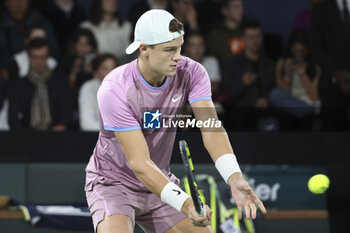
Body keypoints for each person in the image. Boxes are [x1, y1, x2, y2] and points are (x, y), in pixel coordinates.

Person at [85, 9, 266, 233]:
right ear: (144, 49)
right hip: (114, 183)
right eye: (169, 50)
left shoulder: (193, 72)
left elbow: (211, 129)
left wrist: (234, 177)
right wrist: (186, 203)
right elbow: (140, 164)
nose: (178, 56)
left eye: (179, 47)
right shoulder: (115, 89)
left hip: (159, 182)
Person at [8, 38, 73, 130]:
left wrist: (61, 126)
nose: (38, 62)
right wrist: (23, 135)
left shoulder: (61, 82)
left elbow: (67, 112)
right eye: (35, 57)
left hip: (57, 136)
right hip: (26, 137)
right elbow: (13, 118)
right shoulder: (18, 85)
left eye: (42, 57)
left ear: (48, 57)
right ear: (28, 57)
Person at [221, 21, 275, 130]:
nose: (255, 41)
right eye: (250, 37)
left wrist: (266, 99)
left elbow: (274, 87)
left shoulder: (270, 64)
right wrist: (243, 84)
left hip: (267, 109)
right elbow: (227, 95)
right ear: (243, 39)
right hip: (242, 114)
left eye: (258, 36)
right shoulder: (231, 64)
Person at [312, 0, 350, 130]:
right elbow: (316, 47)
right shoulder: (321, 9)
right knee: (333, 142)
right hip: (331, 87)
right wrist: (335, 73)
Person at [269, 29, 321, 120]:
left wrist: (303, 75)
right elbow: (283, 94)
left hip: (308, 103)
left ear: (307, 50)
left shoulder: (314, 66)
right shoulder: (282, 63)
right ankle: (304, 114)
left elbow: (314, 97)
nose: (299, 55)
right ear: (290, 48)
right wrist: (288, 75)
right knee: (275, 94)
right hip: (291, 102)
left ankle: (306, 113)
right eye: (296, 50)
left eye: (302, 51)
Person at [78, 54, 118, 131]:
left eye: (114, 68)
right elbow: (87, 124)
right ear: (96, 73)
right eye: (105, 68)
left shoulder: (126, 88)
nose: (111, 72)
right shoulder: (88, 88)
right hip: (95, 138)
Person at [206, 0, 245, 65]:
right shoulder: (215, 35)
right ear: (224, 10)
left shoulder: (246, 32)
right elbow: (211, 61)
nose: (241, 10)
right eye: (235, 7)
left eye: (242, 6)